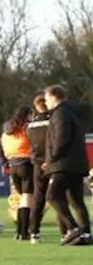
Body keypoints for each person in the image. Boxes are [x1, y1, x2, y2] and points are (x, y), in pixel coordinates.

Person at [41, 85, 91, 245]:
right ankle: (86, 234)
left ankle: (74, 228)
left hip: (63, 164)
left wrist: (51, 159)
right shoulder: (73, 112)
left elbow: (61, 138)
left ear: (54, 97)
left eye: (47, 99)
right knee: (76, 201)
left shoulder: (60, 113)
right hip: (76, 163)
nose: (46, 103)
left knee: (52, 195)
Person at [25, 94, 62, 242]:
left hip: (37, 165)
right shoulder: (54, 121)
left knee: (38, 198)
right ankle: (65, 230)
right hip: (52, 162)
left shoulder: (31, 126)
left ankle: (34, 231)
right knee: (59, 196)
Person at [0, 106, 35, 240]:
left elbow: (0, 148)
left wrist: (5, 163)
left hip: (13, 165)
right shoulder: (27, 128)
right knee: (27, 198)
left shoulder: (6, 132)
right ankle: (24, 231)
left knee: (21, 199)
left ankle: (19, 231)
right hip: (26, 163)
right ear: (27, 115)